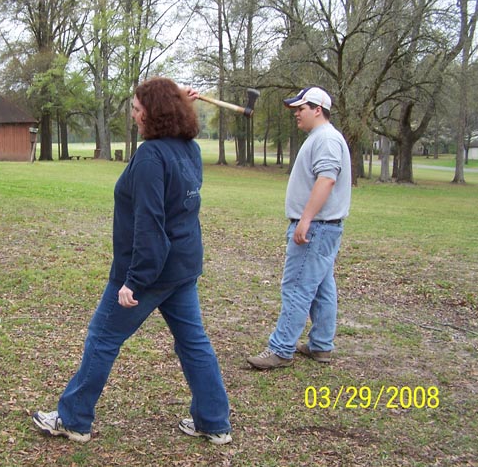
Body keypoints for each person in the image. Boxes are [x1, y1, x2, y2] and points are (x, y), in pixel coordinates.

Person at [32, 77, 232, 444]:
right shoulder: (186, 148)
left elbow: (150, 224)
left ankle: (73, 418)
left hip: (152, 271)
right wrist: (176, 100)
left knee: (102, 337)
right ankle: (213, 421)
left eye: (138, 110)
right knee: (193, 342)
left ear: (155, 115)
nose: (134, 115)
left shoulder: (151, 157)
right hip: (181, 268)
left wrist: (134, 280)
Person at [247, 86, 351, 370]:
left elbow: (327, 179)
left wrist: (305, 220)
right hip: (323, 228)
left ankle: (281, 350)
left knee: (296, 287)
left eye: (301, 109)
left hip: (316, 228)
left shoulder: (327, 139)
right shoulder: (322, 137)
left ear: (318, 109)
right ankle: (320, 345)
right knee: (322, 287)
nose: (296, 114)